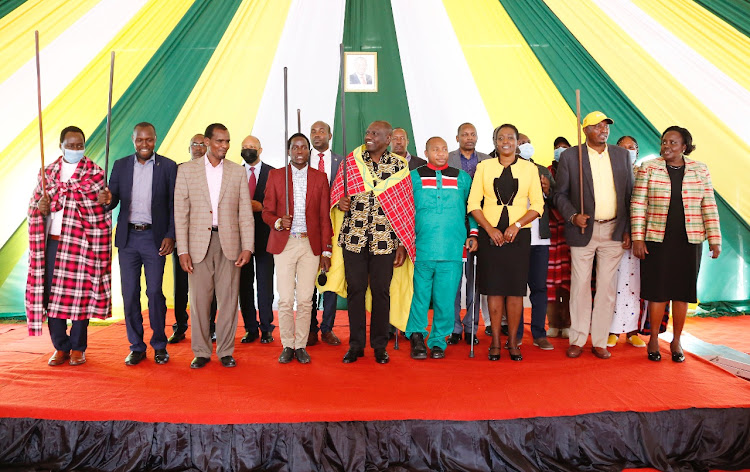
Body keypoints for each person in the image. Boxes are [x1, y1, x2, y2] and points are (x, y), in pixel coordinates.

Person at [326, 121, 415, 364]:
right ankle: (355, 345)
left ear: (388, 140)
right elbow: (337, 194)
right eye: (367, 132)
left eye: (375, 134)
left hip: (384, 240)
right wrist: (340, 202)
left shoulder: (399, 166)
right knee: (355, 291)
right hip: (353, 237)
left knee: (381, 292)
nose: (369, 136)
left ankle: (379, 346)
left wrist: (400, 244)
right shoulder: (351, 162)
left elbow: (404, 207)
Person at [631, 126, 721, 362]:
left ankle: (677, 340)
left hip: (689, 240)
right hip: (657, 238)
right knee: (657, 292)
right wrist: (638, 238)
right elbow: (638, 204)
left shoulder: (700, 170)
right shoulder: (649, 168)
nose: (666, 146)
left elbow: (709, 205)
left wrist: (714, 240)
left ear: (684, 146)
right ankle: (652, 339)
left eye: (672, 142)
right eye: (664, 142)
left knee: (682, 293)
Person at [27, 126, 112, 366]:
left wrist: (105, 202)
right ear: (61, 146)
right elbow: (35, 206)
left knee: (80, 296)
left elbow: (101, 212)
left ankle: (78, 347)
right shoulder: (48, 173)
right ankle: (60, 346)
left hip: (82, 244)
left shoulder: (94, 173)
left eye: (79, 145)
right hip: (53, 243)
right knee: (52, 297)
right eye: (70, 145)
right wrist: (40, 208)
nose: (75, 149)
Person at [553, 111, 633, 360]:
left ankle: (599, 342)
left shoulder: (621, 155)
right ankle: (577, 339)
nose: (603, 130)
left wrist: (629, 229)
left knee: (607, 289)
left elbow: (630, 195)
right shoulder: (570, 156)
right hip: (583, 229)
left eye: (606, 125)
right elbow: (559, 195)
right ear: (585, 130)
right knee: (580, 287)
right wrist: (573, 216)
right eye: (597, 126)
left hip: (614, 230)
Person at [174, 123, 254, 369]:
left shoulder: (237, 172)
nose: (225, 146)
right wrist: (183, 250)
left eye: (228, 141)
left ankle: (226, 351)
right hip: (197, 245)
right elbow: (181, 213)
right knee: (199, 301)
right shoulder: (187, 171)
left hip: (229, 243)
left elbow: (245, 213)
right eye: (220, 141)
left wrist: (247, 246)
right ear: (207, 142)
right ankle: (201, 351)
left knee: (229, 299)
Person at [100, 122, 177, 365]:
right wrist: (106, 199)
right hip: (128, 239)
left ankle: (159, 345)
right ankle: (136, 346)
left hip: (155, 239)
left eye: (149, 140)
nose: (145, 144)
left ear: (156, 139)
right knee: (130, 293)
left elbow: (176, 205)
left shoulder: (168, 166)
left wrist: (171, 235)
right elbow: (111, 201)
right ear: (133, 140)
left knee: (154, 292)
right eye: (140, 140)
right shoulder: (120, 165)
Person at [468, 124, 544, 361]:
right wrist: (489, 230)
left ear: (516, 141)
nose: (506, 141)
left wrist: (517, 225)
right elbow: (473, 204)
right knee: (494, 289)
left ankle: (513, 342)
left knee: (514, 290)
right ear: (495, 142)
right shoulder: (484, 167)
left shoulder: (529, 169)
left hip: (518, 235)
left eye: (510, 137)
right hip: (490, 235)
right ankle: (495, 343)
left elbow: (538, 206)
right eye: (501, 138)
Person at [263, 133, 333, 364]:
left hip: (309, 245)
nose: (300, 151)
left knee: (305, 300)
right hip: (285, 243)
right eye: (295, 147)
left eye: (304, 147)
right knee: (284, 299)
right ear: (289, 151)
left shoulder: (319, 178)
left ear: (309, 151)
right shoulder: (275, 176)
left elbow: (325, 217)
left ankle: (301, 345)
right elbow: (266, 211)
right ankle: (287, 344)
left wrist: (326, 250)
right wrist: (277, 222)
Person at [407, 137, 477, 359]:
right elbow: (405, 211)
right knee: (419, 296)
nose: (441, 153)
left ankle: (438, 340)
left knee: (445, 298)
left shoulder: (463, 178)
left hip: (452, 249)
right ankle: (417, 336)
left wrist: (473, 233)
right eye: (435, 149)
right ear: (426, 153)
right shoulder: (414, 177)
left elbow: (472, 208)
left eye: (444, 149)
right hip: (421, 249)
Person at [170, 134, 216, 344]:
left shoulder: (216, 172)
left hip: (208, 238)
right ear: (188, 148)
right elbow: (173, 206)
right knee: (181, 286)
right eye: (194, 144)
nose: (197, 148)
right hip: (184, 239)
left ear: (207, 146)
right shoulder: (179, 170)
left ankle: (211, 327)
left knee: (209, 286)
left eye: (201, 144)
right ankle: (180, 326)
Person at [447, 122, 491, 344]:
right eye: (464, 134)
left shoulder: (488, 160)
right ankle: (454, 328)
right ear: (457, 138)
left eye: (473, 134)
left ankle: (471, 327)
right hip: (453, 227)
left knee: (474, 281)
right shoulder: (448, 160)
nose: (469, 137)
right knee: (454, 281)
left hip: (482, 226)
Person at [517, 133, 556, 351]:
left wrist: (548, 190)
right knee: (516, 289)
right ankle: (517, 333)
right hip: (517, 237)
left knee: (539, 288)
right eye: (521, 143)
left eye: (527, 142)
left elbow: (557, 198)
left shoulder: (543, 171)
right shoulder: (508, 169)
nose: (525, 146)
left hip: (540, 239)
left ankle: (540, 334)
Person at [607, 136, 646, 348]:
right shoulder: (609, 173)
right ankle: (612, 329)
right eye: (623, 148)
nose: (628, 151)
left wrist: (635, 232)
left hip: (639, 237)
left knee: (635, 285)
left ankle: (632, 331)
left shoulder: (645, 172)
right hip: (613, 234)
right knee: (614, 283)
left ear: (638, 152)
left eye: (632, 147)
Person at [308, 120, 344, 346]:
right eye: (313, 131)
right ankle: (310, 328)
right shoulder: (301, 160)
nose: (317, 134)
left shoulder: (342, 162)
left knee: (331, 277)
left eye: (322, 130)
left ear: (330, 135)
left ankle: (327, 328)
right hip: (309, 228)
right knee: (308, 278)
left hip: (335, 227)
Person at [238, 135, 276, 344]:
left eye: (252, 147)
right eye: (245, 147)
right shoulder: (233, 172)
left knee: (265, 284)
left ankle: (267, 327)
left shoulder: (273, 173)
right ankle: (250, 328)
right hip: (240, 238)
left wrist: (262, 207)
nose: (248, 150)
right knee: (244, 284)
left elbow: (279, 202)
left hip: (265, 237)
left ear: (260, 150)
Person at [546, 136, 572, 338]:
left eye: (564, 148)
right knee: (551, 282)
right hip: (552, 233)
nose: (560, 151)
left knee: (570, 282)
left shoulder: (577, 171)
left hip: (571, 232)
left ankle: (569, 323)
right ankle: (553, 323)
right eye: (557, 148)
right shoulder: (545, 171)